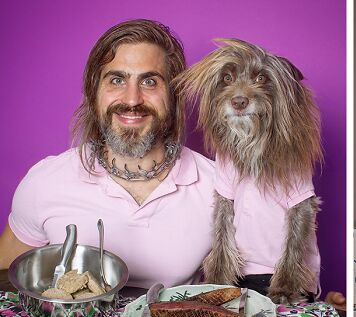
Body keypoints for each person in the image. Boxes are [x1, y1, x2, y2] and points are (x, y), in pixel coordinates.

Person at [0, 19, 215, 289]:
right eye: (116, 80)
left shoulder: (218, 187)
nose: (132, 99)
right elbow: (4, 286)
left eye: (150, 81)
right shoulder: (45, 181)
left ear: (173, 95)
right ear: (94, 92)